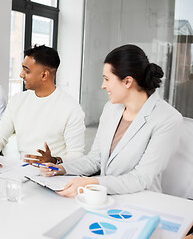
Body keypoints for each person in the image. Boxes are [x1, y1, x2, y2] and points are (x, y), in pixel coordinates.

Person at [40, 44, 183, 197]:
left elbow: (141, 179)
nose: (103, 86)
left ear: (127, 82)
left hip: (141, 201)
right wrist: (61, 169)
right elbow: (95, 159)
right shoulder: (111, 109)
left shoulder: (167, 119)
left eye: (107, 79)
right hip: (105, 198)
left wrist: (92, 183)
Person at [0, 45, 85, 167]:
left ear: (44, 75)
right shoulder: (17, 101)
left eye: (27, 71)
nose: (21, 75)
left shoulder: (71, 108)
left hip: (56, 176)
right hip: (24, 173)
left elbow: (77, 155)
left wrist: (54, 160)